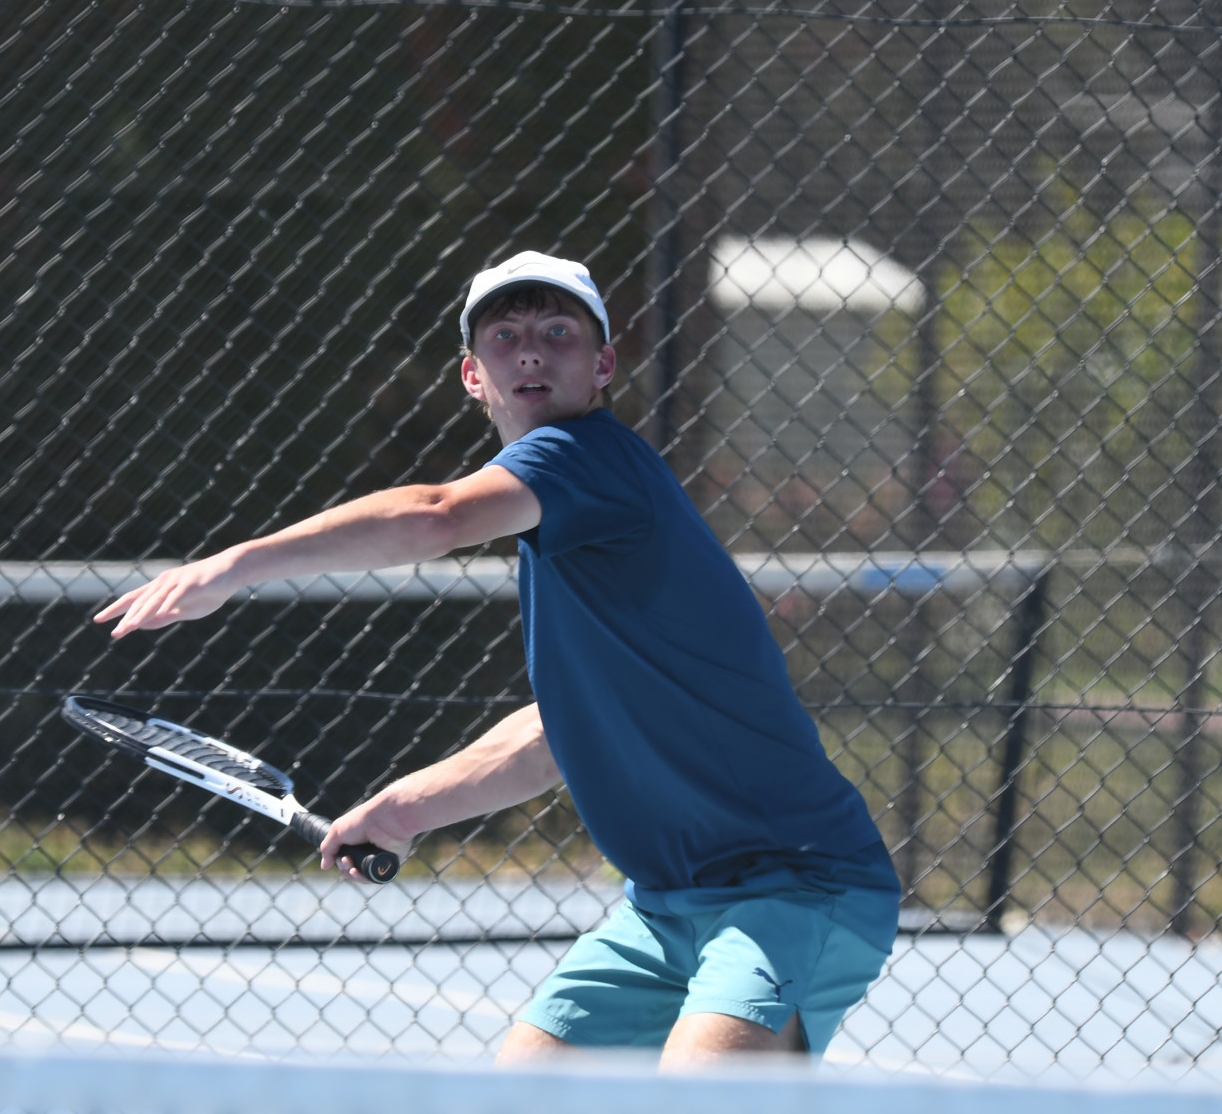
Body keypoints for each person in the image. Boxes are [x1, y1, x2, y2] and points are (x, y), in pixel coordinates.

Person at [95, 251, 898, 1066]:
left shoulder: (590, 459)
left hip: (798, 887)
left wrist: (234, 565)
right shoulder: (568, 537)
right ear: (473, 376)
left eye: (558, 332)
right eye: (506, 336)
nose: (532, 352)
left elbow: (436, 515)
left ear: (603, 365)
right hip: (664, 908)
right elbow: (555, 735)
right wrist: (403, 810)